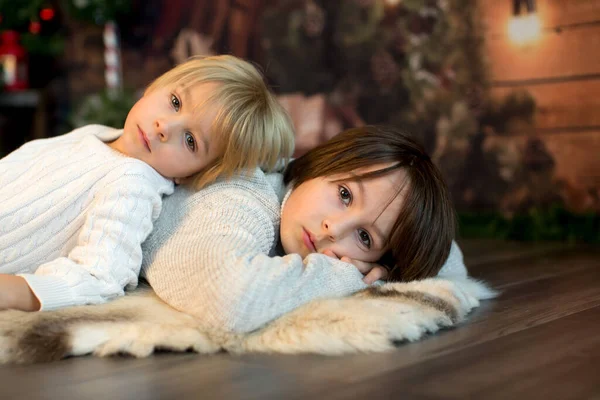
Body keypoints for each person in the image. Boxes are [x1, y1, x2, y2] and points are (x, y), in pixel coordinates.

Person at [0, 55, 294, 313]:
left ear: (193, 175)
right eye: (175, 102)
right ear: (155, 86)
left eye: (191, 141)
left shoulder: (133, 185)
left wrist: (15, 291)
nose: (164, 127)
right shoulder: (95, 134)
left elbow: (100, 276)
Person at [141, 125, 465, 333]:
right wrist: (348, 278)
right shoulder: (245, 194)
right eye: (344, 195)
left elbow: (450, 260)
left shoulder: (300, 205)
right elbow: (229, 300)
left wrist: (388, 273)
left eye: (364, 237)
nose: (333, 230)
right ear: (323, 162)